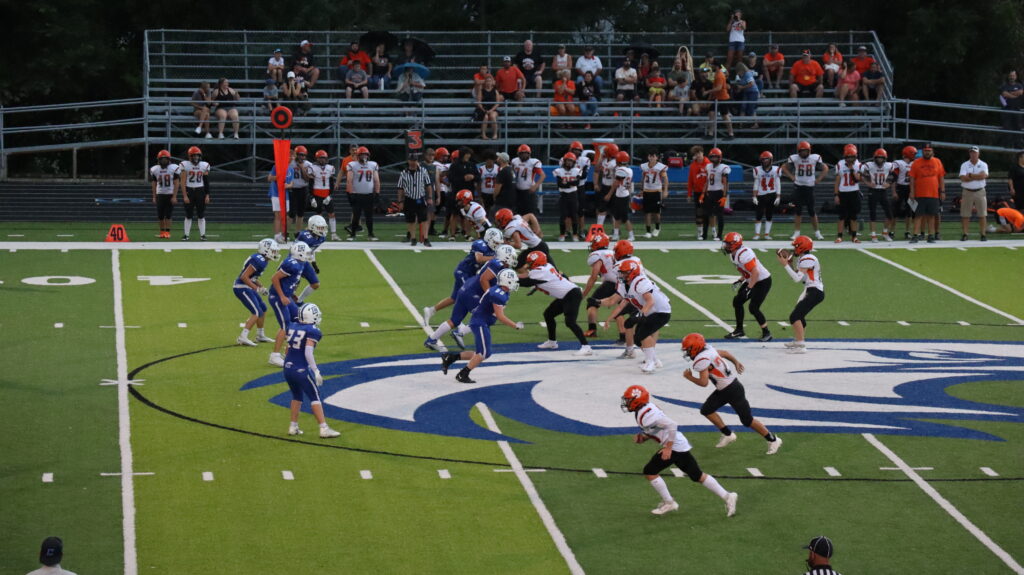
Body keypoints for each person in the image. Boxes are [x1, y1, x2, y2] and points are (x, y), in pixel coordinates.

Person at [620, 384, 738, 517]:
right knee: (697, 475)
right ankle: (728, 496)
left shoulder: (648, 415)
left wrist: (668, 448)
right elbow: (657, 427)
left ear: (637, 401)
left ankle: (669, 502)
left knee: (650, 471)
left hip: (675, 446)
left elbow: (672, 425)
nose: (626, 403)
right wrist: (644, 436)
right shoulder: (646, 409)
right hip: (679, 444)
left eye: (629, 400)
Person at [682, 332, 782, 452]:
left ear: (695, 348)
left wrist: (689, 377)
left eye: (688, 349)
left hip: (732, 390)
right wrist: (736, 362)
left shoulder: (701, 359)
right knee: (706, 410)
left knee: (747, 420)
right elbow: (725, 353)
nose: (687, 352)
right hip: (725, 389)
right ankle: (728, 434)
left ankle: (773, 440)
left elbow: (704, 383)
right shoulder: (708, 350)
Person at [426, 242, 515, 351]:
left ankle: (431, 339)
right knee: (487, 317)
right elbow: (484, 279)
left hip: (466, 289)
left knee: (455, 320)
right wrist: (489, 295)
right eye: (511, 257)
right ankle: (460, 333)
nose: (513, 259)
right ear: (505, 257)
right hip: (473, 293)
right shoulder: (497, 265)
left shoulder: (497, 264)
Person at [440, 269, 524, 383]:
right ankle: (463, 374)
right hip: (480, 322)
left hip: (482, 321)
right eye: (513, 281)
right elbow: (500, 316)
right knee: (483, 353)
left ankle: (451, 358)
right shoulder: (498, 295)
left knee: (484, 353)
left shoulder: (501, 291)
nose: (515, 283)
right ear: (507, 282)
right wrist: (515, 325)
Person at [281, 303, 340, 438]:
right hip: (300, 369)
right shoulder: (313, 331)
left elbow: (287, 348)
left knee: (296, 396)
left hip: (288, 368)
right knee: (315, 396)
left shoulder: (292, 326)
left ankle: (293, 426)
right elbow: (308, 352)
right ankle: (324, 428)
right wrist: (316, 370)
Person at [603, 260, 671, 373]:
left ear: (632, 272)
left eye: (624, 272)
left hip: (661, 311)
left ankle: (650, 363)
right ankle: (655, 360)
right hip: (650, 312)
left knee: (643, 334)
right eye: (621, 272)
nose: (621, 275)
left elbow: (650, 301)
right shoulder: (625, 285)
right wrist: (609, 319)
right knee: (638, 339)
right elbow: (621, 306)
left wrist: (640, 314)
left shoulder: (640, 282)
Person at [519, 251, 591, 355]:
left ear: (537, 263)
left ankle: (586, 347)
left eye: (530, 262)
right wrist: (536, 287)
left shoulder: (539, 272)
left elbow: (526, 282)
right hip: (567, 294)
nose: (528, 265)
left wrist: (509, 280)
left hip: (571, 295)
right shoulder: (547, 266)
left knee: (570, 322)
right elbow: (556, 277)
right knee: (548, 314)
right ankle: (552, 342)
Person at [267, 241, 316, 366]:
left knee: (298, 319)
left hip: (286, 296)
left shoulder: (299, 263)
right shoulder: (292, 265)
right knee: (286, 326)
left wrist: (291, 293)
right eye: (306, 253)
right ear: (299, 253)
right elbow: (274, 278)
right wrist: (282, 296)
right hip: (277, 297)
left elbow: (289, 281)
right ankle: (274, 356)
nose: (308, 255)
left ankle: (288, 353)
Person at [720, 233, 773, 341]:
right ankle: (739, 330)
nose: (725, 246)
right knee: (737, 301)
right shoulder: (734, 254)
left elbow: (756, 273)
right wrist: (740, 280)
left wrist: (749, 288)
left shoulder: (744, 254)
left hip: (762, 281)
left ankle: (767, 333)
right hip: (752, 279)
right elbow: (746, 271)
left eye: (728, 244)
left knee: (753, 307)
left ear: (735, 244)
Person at [776, 235, 823, 353]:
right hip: (810, 289)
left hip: (815, 291)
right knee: (799, 316)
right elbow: (797, 277)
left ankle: (801, 345)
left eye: (796, 246)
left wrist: (785, 265)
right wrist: (789, 264)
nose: (794, 249)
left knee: (795, 316)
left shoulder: (808, 258)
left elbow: (797, 279)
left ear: (802, 247)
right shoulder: (803, 258)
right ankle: (799, 340)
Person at [234, 238, 280, 346]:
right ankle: (243, 337)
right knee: (257, 312)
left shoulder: (263, 260)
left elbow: (253, 278)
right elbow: (244, 277)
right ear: (266, 250)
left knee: (263, 309)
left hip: (247, 286)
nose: (275, 253)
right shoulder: (258, 260)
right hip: (241, 287)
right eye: (273, 251)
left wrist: (261, 287)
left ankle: (260, 335)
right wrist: (256, 289)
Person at [782, 141, 829, 240]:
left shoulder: (814, 158)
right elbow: (783, 167)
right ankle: (797, 232)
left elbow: (825, 168)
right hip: (798, 186)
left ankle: (817, 232)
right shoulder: (795, 158)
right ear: (799, 151)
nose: (804, 153)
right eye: (802, 151)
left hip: (809, 187)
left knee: (811, 211)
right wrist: (791, 176)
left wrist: (819, 179)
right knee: (798, 211)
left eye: (805, 151)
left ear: (809, 150)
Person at [581, 232, 617, 337]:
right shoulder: (613, 252)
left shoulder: (597, 255)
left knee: (592, 303)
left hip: (610, 284)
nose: (591, 244)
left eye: (593, 242)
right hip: (622, 284)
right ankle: (624, 335)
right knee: (621, 310)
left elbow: (593, 277)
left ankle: (592, 330)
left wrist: (584, 294)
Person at [909, 144, 946, 243]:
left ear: (932, 152)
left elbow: (941, 177)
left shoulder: (937, 161)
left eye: (929, 150)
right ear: (923, 152)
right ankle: (915, 235)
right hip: (919, 194)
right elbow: (912, 178)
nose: (927, 152)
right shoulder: (916, 162)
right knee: (918, 216)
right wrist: (912, 192)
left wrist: (942, 191)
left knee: (931, 216)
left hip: (934, 193)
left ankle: (931, 235)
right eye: (925, 150)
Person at [344, 146, 381, 241]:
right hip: (357, 194)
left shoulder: (373, 165)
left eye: (365, 154)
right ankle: (352, 234)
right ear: (358, 155)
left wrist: (377, 193)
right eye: (362, 155)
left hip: (369, 194)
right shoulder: (352, 165)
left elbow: (376, 180)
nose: (364, 156)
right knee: (356, 216)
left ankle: (370, 234)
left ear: (368, 155)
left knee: (369, 216)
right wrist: (350, 193)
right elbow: (349, 180)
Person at [397, 156, 434, 247]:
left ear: (417, 161)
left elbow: (428, 185)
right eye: (412, 160)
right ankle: (413, 238)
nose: (413, 162)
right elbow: (400, 187)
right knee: (411, 220)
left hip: (420, 198)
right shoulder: (404, 173)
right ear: (408, 161)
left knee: (424, 219)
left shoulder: (423, 171)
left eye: (415, 160)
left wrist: (430, 197)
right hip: (409, 198)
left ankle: (426, 238)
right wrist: (400, 201)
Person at [861, 148, 895, 242]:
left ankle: (885, 232)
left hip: (883, 191)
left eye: (881, 157)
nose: (879, 159)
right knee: (873, 213)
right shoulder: (869, 165)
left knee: (889, 214)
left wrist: (889, 183)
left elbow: (895, 176)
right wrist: (867, 183)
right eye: (878, 157)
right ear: (875, 158)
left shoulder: (889, 165)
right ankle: (873, 235)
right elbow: (861, 174)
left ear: (884, 158)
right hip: (873, 191)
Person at [179, 145, 211, 241]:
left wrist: (207, 195)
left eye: (197, 155)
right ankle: (186, 235)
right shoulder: (185, 165)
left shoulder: (204, 165)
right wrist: (185, 195)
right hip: (189, 190)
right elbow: (183, 182)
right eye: (194, 155)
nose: (196, 157)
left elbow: (206, 181)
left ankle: (203, 235)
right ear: (190, 156)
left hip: (200, 190)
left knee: (201, 214)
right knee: (188, 214)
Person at [833, 144, 863, 243]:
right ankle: (839, 236)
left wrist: (852, 169)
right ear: (845, 157)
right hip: (843, 193)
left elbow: (858, 179)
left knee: (853, 216)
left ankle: (854, 236)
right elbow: (837, 181)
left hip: (854, 192)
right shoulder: (840, 164)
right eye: (848, 157)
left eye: (852, 157)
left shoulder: (858, 165)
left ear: (855, 156)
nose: (850, 159)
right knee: (841, 216)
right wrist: (836, 194)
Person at [305, 150, 337, 240]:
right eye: (320, 158)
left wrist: (330, 195)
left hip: (326, 193)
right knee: (319, 215)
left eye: (324, 158)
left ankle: (333, 234)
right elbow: (310, 184)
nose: (322, 160)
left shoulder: (330, 168)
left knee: (332, 214)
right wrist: (311, 197)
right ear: (317, 158)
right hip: (317, 194)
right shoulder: (312, 168)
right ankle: (321, 234)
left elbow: (331, 183)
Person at [958, 146, 989, 241]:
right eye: (971, 152)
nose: (973, 154)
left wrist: (970, 175)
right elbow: (963, 178)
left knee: (982, 214)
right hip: (967, 191)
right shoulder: (964, 165)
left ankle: (983, 234)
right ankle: (965, 233)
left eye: (975, 152)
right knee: (965, 214)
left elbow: (984, 176)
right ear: (969, 154)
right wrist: (977, 176)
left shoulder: (983, 164)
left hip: (980, 191)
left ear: (978, 153)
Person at [750, 151, 781, 240]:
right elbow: (756, 183)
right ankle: (757, 234)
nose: (765, 161)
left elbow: (778, 183)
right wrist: (754, 196)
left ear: (771, 160)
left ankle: (767, 234)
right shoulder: (757, 170)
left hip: (772, 193)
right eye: (763, 159)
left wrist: (778, 196)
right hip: (761, 194)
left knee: (769, 215)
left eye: (767, 159)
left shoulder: (776, 170)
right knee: (759, 214)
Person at [605, 150, 635, 241]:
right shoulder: (629, 170)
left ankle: (631, 235)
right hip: (622, 194)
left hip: (622, 196)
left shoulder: (620, 170)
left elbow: (616, 183)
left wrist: (609, 194)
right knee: (617, 216)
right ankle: (616, 234)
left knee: (624, 218)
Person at [150, 149, 179, 239]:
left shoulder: (173, 168)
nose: (164, 161)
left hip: (170, 194)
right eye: (162, 159)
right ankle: (162, 232)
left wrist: (174, 196)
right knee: (160, 215)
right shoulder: (155, 169)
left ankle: (167, 232)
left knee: (168, 215)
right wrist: (154, 196)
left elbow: (176, 183)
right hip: (160, 194)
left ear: (169, 159)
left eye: (165, 159)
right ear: (159, 160)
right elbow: (154, 183)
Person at [553, 152, 583, 241]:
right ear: (564, 161)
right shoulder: (559, 171)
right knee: (563, 215)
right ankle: (562, 234)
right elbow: (560, 184)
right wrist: (570, 183)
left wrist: (566, 183)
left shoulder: (577, 170)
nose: (569, 163)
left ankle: (575, 234)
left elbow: (576, 183)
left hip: (573, 195)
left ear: (574, 162)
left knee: (574, 215)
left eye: (571, 161)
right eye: (568, 161)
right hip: (563, 195)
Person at [891, 146, 918, 239]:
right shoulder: (899, 163)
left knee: (910, 211)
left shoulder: (915, 163)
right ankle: (891, 231)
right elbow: (894, 179)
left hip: (910, 189)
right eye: (913, 153)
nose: (915, 155)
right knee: (895, 211)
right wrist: (894, 191)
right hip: (900, 187)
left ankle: (907, 231)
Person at [703, 147, 730, 241]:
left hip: (719, 192)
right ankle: (704, 235)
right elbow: (707, 181)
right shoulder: (708, 166)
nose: (714, 158)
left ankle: (719, 235)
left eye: (715, 157)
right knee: (706, 214)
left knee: (719, 215)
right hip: (710, 192)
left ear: (719, 157)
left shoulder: (724, 168)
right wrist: (703, 193)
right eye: (712, 156)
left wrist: (724, 196)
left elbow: (726, 183)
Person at [640, 150, 668, 238]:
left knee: (656, 212)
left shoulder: (660, 167)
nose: (651, 158)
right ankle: (648, 231)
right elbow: (643, 178)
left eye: (653, 156)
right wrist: (641, 189)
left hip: (656, 191)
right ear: (648, 157)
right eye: (650, 156)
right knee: (647, 212)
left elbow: (665, 179)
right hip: (647, 191)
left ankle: (657, 228)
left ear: (657, 157)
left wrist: (665, 190)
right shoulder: (644, 166)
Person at [511, 144, 544, 216]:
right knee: (518, 215)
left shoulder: (533, 162)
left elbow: (543, 175)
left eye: (525, 153)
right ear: (518, 154)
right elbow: (512, 173)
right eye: (522, 153)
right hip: (518, 191)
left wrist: (535, 186)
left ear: (529, 153)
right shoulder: (515, 161)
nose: (524, 155)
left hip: (528, 192)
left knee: (530, 214)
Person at [267, 154, 293, 243]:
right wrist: (278, 177)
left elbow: (291, 182)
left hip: (285, 194)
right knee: (278, 215)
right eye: (290, 156)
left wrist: (288, 185)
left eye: (293, 157)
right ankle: (277, 235)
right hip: (276, 193)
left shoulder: (291, 169)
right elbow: (269, 178)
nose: (291, 158)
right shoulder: (276, 166)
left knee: (285, 216)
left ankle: (283, 234)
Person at [687, 145, 710, 239]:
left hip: (708, 192)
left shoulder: (708, 164)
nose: (698, 155)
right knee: (699, 212)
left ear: (702, 153)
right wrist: (689, 194)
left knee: (709, 213)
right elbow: (690, 181)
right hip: (697, 192)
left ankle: (712, 231)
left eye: (699, 153)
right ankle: (700, 232)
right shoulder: (692, 166)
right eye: (696, 154)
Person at [288, 146, 312, 232]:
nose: (302, 157)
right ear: (296, 155)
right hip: (292, 189)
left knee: (300, 212)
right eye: (300, 155)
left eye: (303, 155)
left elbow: (307, 179)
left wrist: (301, 168)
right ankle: (285, 233)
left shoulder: (308, 164)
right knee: (291, 212)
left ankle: (298, 232)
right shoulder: (290, 163)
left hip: (303, 189)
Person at [706, 65, 735, 139]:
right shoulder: (715, 74)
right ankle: (710, 133)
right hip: (716, 97)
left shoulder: (720, 74)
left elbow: (719, 87)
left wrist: (707, 92)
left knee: (725, 115)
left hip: (723, 98)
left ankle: (731, 134)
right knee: (711, 113)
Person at [999, 71, 1023, 147]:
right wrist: (1014, 94)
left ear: (1016, 76)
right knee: (1007, 127)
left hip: (1017, 110)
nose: (1012, 77)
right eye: (1010, 75)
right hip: (1006, 109)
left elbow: (1020, 92)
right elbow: (1004, 94)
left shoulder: (1019, 85)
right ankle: (1007, 146)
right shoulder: (1004, 85)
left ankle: (1018, 146)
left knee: (1018, 127)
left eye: (1013, 75)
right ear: (1008, 76)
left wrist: (1009, 93)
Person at [475, 75, 502, 140]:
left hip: (493, 109)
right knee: (486, 117)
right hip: (484, 108)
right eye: (487, 81)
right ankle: (483, 135)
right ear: (485, 82)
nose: (488, 83)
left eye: (490, 81)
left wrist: (491, 110)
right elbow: (479, 102)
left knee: (492, 116)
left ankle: (495, 134)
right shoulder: (481, 91)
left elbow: (497, 103)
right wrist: (483, 110)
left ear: (492, 82)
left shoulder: (495, 91)